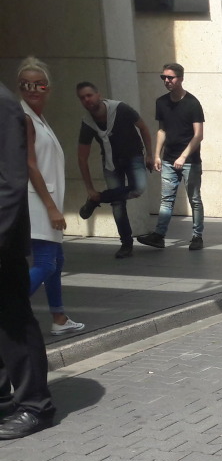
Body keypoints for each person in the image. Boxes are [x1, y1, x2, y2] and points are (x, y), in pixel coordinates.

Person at [0, 72, 58, 439]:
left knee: (14, 321)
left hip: (2, 239)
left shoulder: (3, 104)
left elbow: (11, 179)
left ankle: (35, 405)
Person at [19, 58, 84, 337]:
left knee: (56, 261)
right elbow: (30, 164)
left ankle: (58, 317)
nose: (33, 89)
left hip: (46, 201)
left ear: (48, 88)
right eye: (26, 84)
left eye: (39, 84)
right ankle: (6, 308)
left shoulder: (38, 118)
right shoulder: (24, 118)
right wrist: (50, 208)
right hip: (38, 203)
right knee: (46, 263)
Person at [75, 82, 153, 259]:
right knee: (118, 204)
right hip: (111, 163)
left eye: (89, 95)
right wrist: (89, 188)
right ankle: (126, 244)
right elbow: (82, 157)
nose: (87, 100)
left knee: (138, 188)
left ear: (98, 94)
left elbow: (143, 128)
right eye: (82, 97)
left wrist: (150, 154)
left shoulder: (120, 109)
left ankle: (98, 199)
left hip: (133, 156)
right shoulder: (88, 122)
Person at [140, 62, 204, 251]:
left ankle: (197, 236)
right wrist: (156, 155)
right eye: (164, 77)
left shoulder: (192, 103)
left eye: (170, 77)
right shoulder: (161, 102)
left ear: (181, 79)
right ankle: (159, 235)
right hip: (168, 159)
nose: (166, 81)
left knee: (194, 199)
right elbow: (162, 130)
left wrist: (183, 156)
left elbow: (198, 134)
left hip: (190, 162)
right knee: (166, 199)